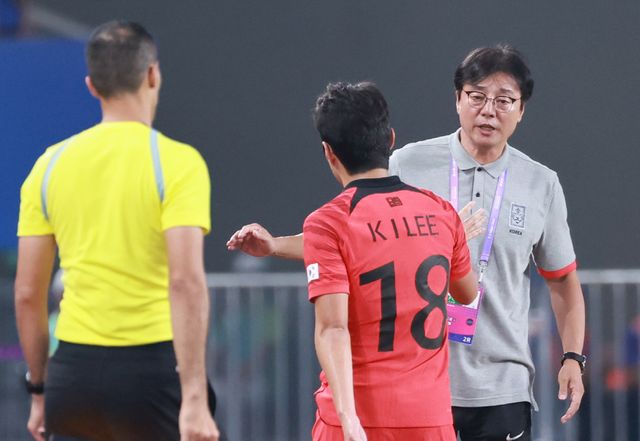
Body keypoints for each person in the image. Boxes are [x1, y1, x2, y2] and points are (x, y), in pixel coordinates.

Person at [228, 45, 586, 441]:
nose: (488, 111)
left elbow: (562, 279)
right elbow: (349, 235)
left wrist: (573, 356)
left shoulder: (541, 183)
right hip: (422, 387)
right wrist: (275, 245)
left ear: (521, 109)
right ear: (457, 98)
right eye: (477, 96)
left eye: (504, 101)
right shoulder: (407, 163)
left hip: (500, 386)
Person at [14, 21, 220, 441]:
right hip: (151, 376)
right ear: (152, 74)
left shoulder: (48, 166)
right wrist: (195, 398)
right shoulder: (178, 164)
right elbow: (185, 282)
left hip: (72, 376)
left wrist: (39, 390)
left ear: (92, 86)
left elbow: (28, 294)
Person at [308, 81, 478, 440]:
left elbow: (332, 328)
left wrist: (349, 418)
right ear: (390, 139)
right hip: (430, 420)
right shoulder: (440, 211)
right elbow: (466, 293)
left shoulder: (328, 222)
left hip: (356, 421)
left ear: (328, 152)